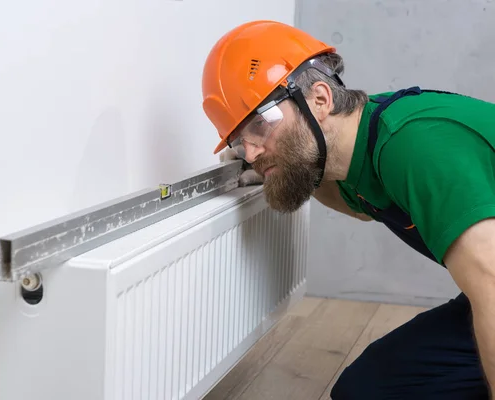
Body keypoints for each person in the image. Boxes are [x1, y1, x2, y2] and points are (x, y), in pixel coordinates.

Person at [201, 20, 495, 399]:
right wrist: (272, 165)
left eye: (261, 124)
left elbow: (490, 284)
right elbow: (335, 191)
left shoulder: (413, 146)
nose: (252, 151)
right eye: (242, 141)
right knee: (365, 391)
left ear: (320, 100)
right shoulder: (350, 159)